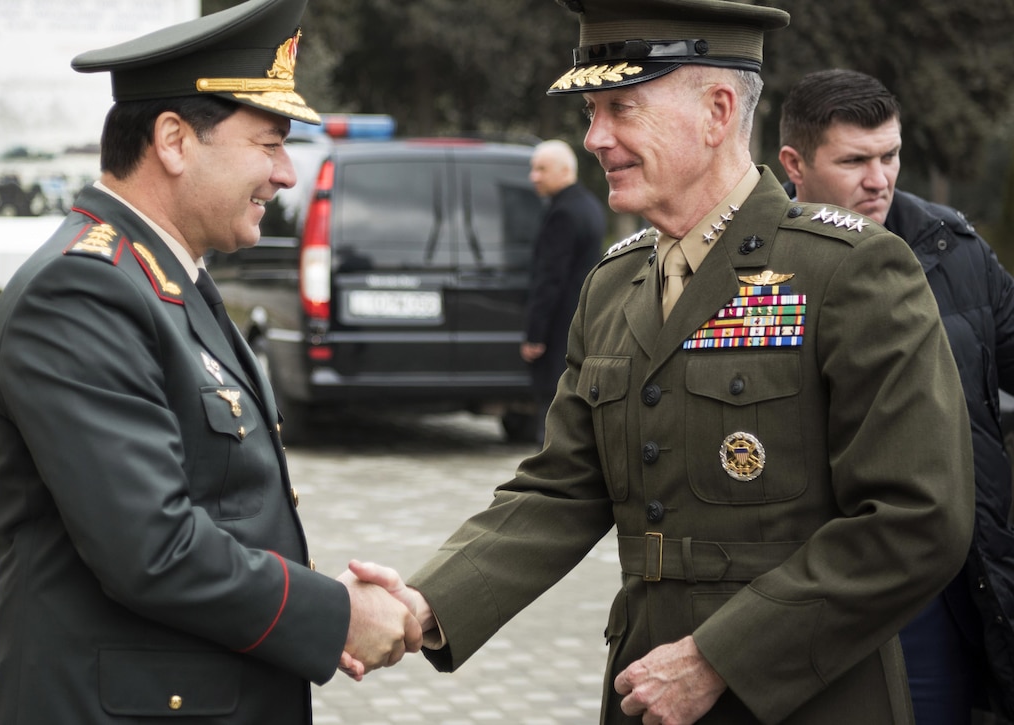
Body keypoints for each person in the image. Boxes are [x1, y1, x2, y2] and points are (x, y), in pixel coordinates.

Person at [345, 0, 977, 722]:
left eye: (621, 108)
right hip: (645, 694)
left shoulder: (849, 271)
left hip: (806, 697)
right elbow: (561, 489)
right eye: (591, 113)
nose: (594, 138)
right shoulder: (615, 284)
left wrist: (718, 657)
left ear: (716, 111)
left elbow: (918, 519)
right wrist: (425, 604)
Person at [0, 1, 420, 723]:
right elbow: (153, 546)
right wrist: (331, 613)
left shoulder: (164, 275)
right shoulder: (83, 289)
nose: (284, 174)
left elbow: (221, 507)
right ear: (176, 141)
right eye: (269, 143)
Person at [778, 68, 1014, 725]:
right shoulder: (753, 268)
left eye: (891, 155)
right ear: (794, 163)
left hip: (952, 586)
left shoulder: (954, 249)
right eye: (855, 160)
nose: (879, 179)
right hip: (814, 592)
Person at [521, 139, 606, 444]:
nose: (534, 176)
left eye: (542, 169)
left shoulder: (562, 213)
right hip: (583, 324)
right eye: (533, 169)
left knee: (553, 414)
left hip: (559, 331)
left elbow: (550, 278)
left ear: (565, 170)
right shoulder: (590, 205)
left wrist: (534, 335)